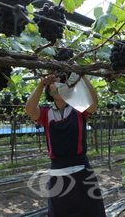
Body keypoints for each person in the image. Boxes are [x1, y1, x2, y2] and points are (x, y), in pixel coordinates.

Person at [25, 73, 107, 217]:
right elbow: (30, 109)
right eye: (55, 82)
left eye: (62, 82)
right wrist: (41, 84)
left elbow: (93, 102)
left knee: (90, 211)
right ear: (50, 92)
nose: (58, 83)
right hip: (58, 172)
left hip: (82, 170)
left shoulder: (78, 109)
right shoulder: (46, 113)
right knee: (61, 211)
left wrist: (82, 76)